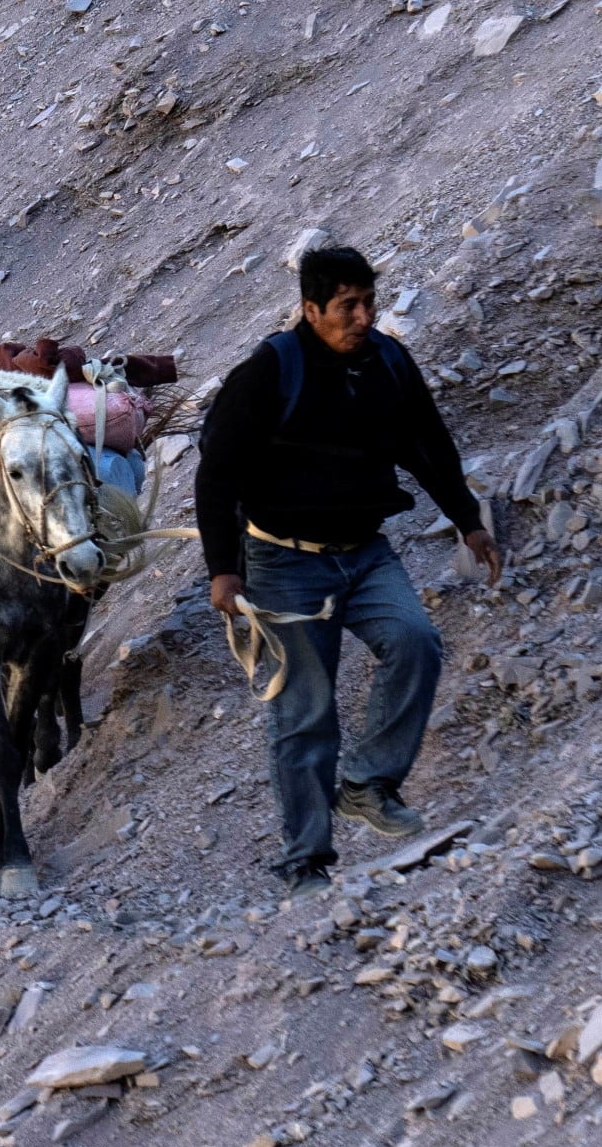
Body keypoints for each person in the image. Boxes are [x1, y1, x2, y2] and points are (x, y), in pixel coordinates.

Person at [194, 245, 505, 890]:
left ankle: (367, 784)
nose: (363, 317)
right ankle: (304, 860)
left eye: (369, 302)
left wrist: (468, 519)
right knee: (306, 711)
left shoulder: (388, 362)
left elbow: (427, 444)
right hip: (283, 562)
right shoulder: (268, 373)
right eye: (347, 307)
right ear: (311, 310)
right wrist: (223, 569)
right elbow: (217, 472)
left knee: (416, 642)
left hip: (365, 553)